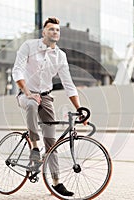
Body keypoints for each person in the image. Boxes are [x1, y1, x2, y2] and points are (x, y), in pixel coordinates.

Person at [12, 17, 86, 196]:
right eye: (51, 29)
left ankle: (56, 182)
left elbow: (68, 84)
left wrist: (79, 108)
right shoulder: (29, 46)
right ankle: (35, 148)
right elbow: (17, 70)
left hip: (46, 98)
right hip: (26, 93)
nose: (55, 32)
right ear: (43, 32)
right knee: (31, 104)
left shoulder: (60, 56)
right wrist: (28, 92)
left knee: (52, 142)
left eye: (57, 30)